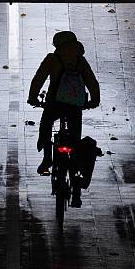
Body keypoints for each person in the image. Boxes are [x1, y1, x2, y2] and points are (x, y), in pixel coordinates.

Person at [27, 31, 100, 175]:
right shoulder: (81, 61)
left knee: (46, 126)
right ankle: (75, 162)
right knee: (75, 134)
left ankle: (47, 159)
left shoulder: (52, 59)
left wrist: (33, 98)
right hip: (75, 105)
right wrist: (94, 101)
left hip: (54, 104)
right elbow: (92, 82)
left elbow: (38, 79)